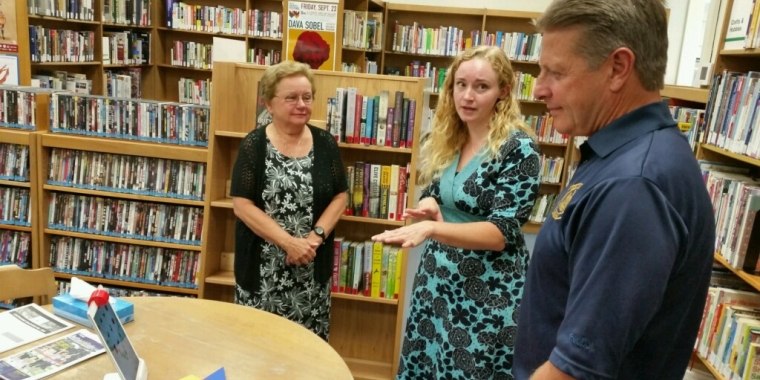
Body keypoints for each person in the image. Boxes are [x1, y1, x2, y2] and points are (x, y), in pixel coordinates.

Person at [513, 1, 716, 379]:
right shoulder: (619, 156)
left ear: (618, 68)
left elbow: (576, 370)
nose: (539, 89)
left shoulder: (633, 185)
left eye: (555, 72)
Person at [372, 45, 541, 379]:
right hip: (439, 281)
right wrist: (428, 205)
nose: (467, 96)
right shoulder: (452, 136)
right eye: (460, 84)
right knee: (428, 363)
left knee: (469, 369)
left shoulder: (519, 148)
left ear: (503, 91)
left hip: (487, 291)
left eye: (481, 86)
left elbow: (500, 234)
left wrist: (432, 230)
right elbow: (438, 193)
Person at [229, 60, 348, 341]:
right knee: (258, 350)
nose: (302, 104)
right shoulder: (254, 145)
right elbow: (242, 205)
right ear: (269, 104)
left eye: (307, 97)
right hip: (262, 275)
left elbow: (340, 196)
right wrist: (289, 243)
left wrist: (314, 239)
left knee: (307, 352)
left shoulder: (326, 143)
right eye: (291, 97)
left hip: (310, 272)